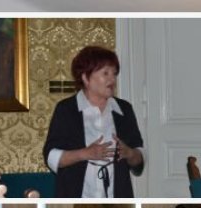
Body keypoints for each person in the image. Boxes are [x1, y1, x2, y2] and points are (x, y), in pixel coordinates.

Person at [43, 45, 144, 198]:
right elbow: (51, 156)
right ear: (85, 77)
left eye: (114, 73)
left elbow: (140, 157)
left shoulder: (124, 109)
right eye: (105, 73)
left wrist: (129, 153)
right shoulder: (66, 109)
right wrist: (84, 154)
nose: (112, 79)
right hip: (76, 196)